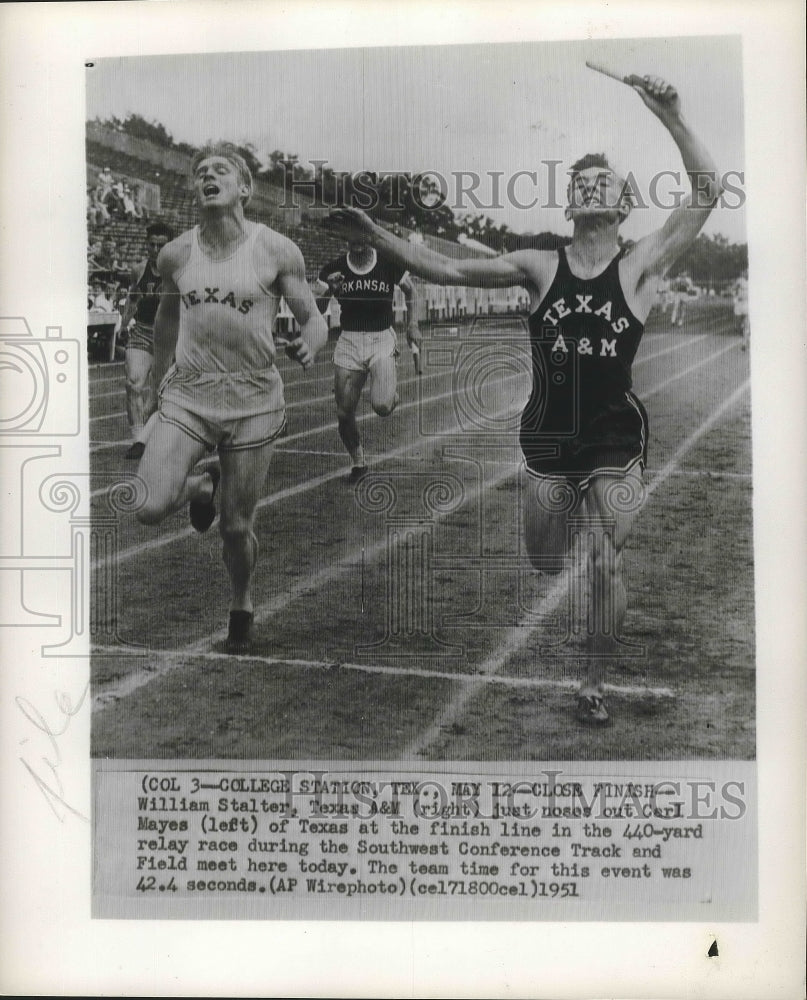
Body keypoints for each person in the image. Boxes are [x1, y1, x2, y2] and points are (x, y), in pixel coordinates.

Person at [329, 74, 722, 724]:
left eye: (605, 181)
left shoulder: (640, 265)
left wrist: (671, 114)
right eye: (580, 182)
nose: (592, 185)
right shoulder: (540, 265)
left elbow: (705, 192)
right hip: (548, 436)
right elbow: (447, 269)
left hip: (615, 439)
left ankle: (592, 684)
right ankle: (565, 523)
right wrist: (376, 236)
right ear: (569, 204)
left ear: (624, 203)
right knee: (545, 560)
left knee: (603, 561)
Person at [135, 142, 328, 653]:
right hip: (191, 394)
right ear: (195, 189)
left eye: (220, 170)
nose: (207, 176)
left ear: (244, 188)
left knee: (236, 527)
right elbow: (165, 322)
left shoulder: (276, 249)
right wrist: (157, 387)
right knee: (148, 506)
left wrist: (311, 341)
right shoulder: (176, 254)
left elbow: (313, 317)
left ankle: (241, 600)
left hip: (253, 400)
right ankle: (201, 484)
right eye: (200, 172)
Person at [313, 232, 420, 482]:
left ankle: (390, 391)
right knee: (343, 412)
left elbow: (411, 291)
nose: (357, 240)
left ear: (370, 234)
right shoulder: (334, 269)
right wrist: (329, 290)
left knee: (382, 406)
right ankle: (358, 462)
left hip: (381, 337)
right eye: (352, 235)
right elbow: (316, 312)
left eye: (361, 233)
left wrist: (413, 324)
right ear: (346, 239)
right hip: (349, 340)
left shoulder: (388, 263)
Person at [120, 221, 174, 459]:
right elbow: (132, 297)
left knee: (162, 392)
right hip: (142, 331)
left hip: (170, 335)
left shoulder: (179, 271)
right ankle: (138, 439)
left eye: (160, 246)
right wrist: (123, 324)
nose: (155, 250)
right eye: (151, 245)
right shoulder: (139, 270)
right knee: (134, 383)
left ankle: (152, 437)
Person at [732, 270, 749, 349]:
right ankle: (740, 328)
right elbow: (733, 289)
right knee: (737, 325)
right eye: (746, 272)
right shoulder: (740, 280)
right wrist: (735, 297)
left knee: (747, 324)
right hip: (739, 304)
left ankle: (744, 343)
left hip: (748, 304)